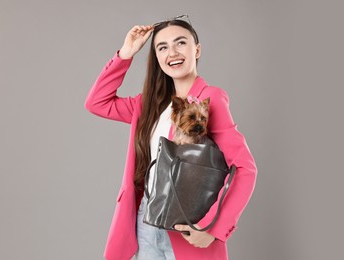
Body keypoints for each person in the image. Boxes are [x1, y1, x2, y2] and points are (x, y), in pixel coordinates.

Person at [85, 15, 257, 260]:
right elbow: (97, 102)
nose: (172, 53)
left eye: (180, 43)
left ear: (196, 49)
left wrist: (213, 228)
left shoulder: (211, 99)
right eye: (162, 47)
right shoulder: (148, 105)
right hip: (145, 221)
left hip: (187, 224)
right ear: (157, 57)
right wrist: (126, 53)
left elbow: (244, 168)